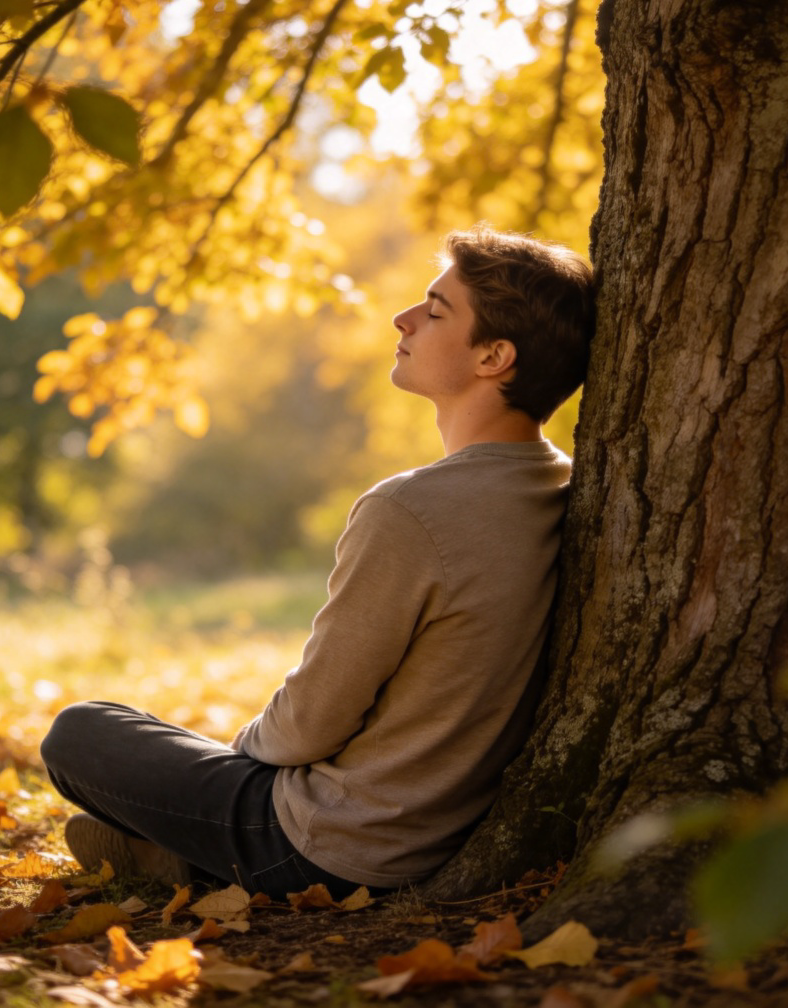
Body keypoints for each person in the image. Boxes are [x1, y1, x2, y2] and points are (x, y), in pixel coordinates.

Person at [40, 224, 595, 898]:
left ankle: (203, 856)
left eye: (436, 310)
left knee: (81, 733)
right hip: (436, 832)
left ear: (493, 357)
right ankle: (179, 860)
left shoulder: (411, 510)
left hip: (330, 846)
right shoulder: (563, 488)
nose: (405, 318)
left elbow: (309, 724)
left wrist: (241, 756)